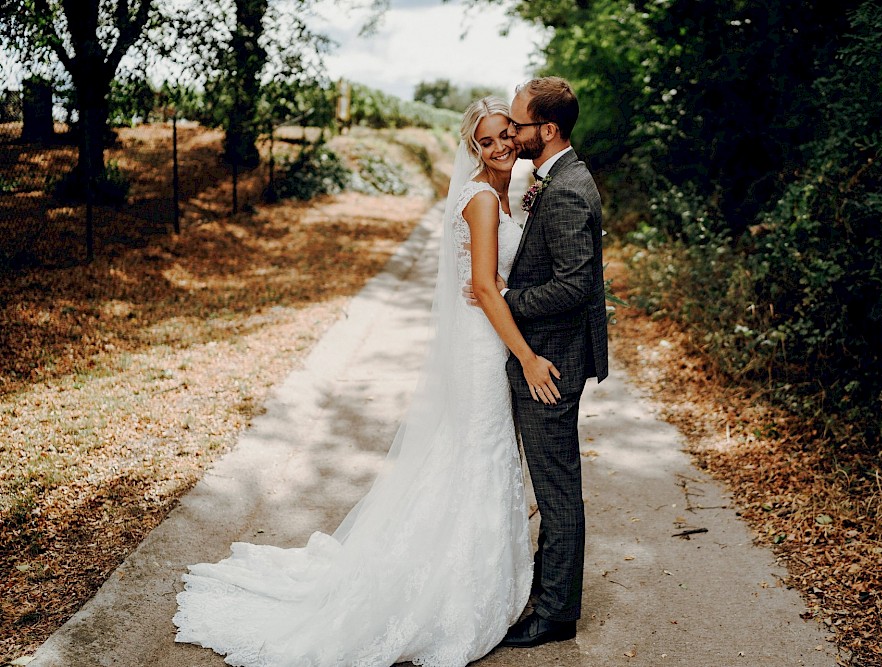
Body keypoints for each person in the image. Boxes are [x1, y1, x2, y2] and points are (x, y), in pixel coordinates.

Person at [172, 97, 554, 667]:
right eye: (486, 141)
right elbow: (482, 288)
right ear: (472, 148)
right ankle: (448, 592)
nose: (499, 147)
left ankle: (468, 574)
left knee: (472, 456)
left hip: (486, 342)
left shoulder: (502, 191)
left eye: (505, 136)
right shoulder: (480, 200)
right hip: (483, 348)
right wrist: (525, 355)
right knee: (478, 454)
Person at [468, 76, 609, 649]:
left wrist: (506, 299)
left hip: (550, 359)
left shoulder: (570, 188)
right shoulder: (551, 179)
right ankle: (549, 594)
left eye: (519, 125)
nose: (512, 133)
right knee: (552, 482)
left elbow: (575, 287)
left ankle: (555, 613)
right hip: (546, 350)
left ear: (546, 130)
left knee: (555, 486)